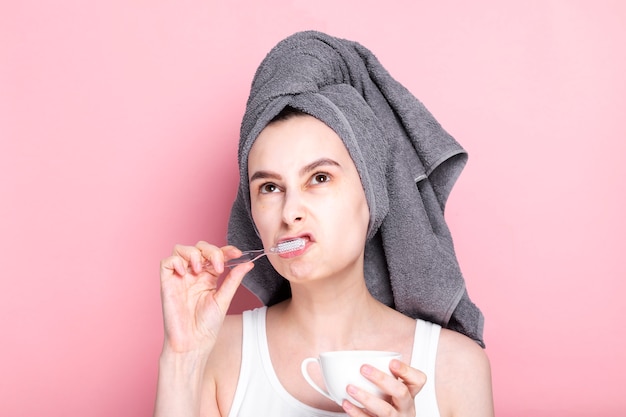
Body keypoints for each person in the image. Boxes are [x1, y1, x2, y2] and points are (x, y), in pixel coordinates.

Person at [155, 31, 494, 417]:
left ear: (372, 195)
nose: (289, 212)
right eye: (269, 187)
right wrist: (181, 358)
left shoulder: (456, 368)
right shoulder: (214, 352)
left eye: (319, 178)